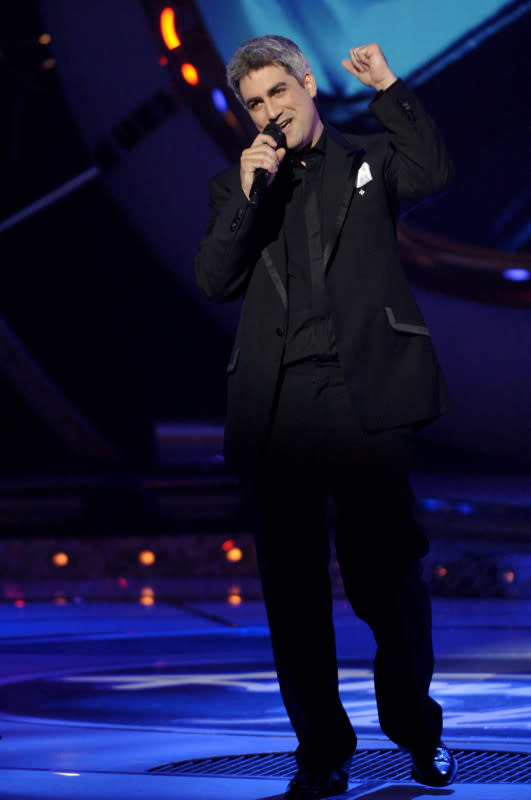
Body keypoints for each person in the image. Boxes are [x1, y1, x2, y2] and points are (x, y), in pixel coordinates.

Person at [195, 35, 457, 798]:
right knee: (293, 591)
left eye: (279, 91)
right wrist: (249, 196)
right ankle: (321, 753)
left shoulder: (369, 160)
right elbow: (215, 281)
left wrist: (388, 87)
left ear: (306, 85)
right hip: (276, 407)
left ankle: (416, 732)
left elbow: (435, 171)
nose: (270, 112)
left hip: (365, 397)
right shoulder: (237, 185)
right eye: (255, 103)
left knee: (387, 579)